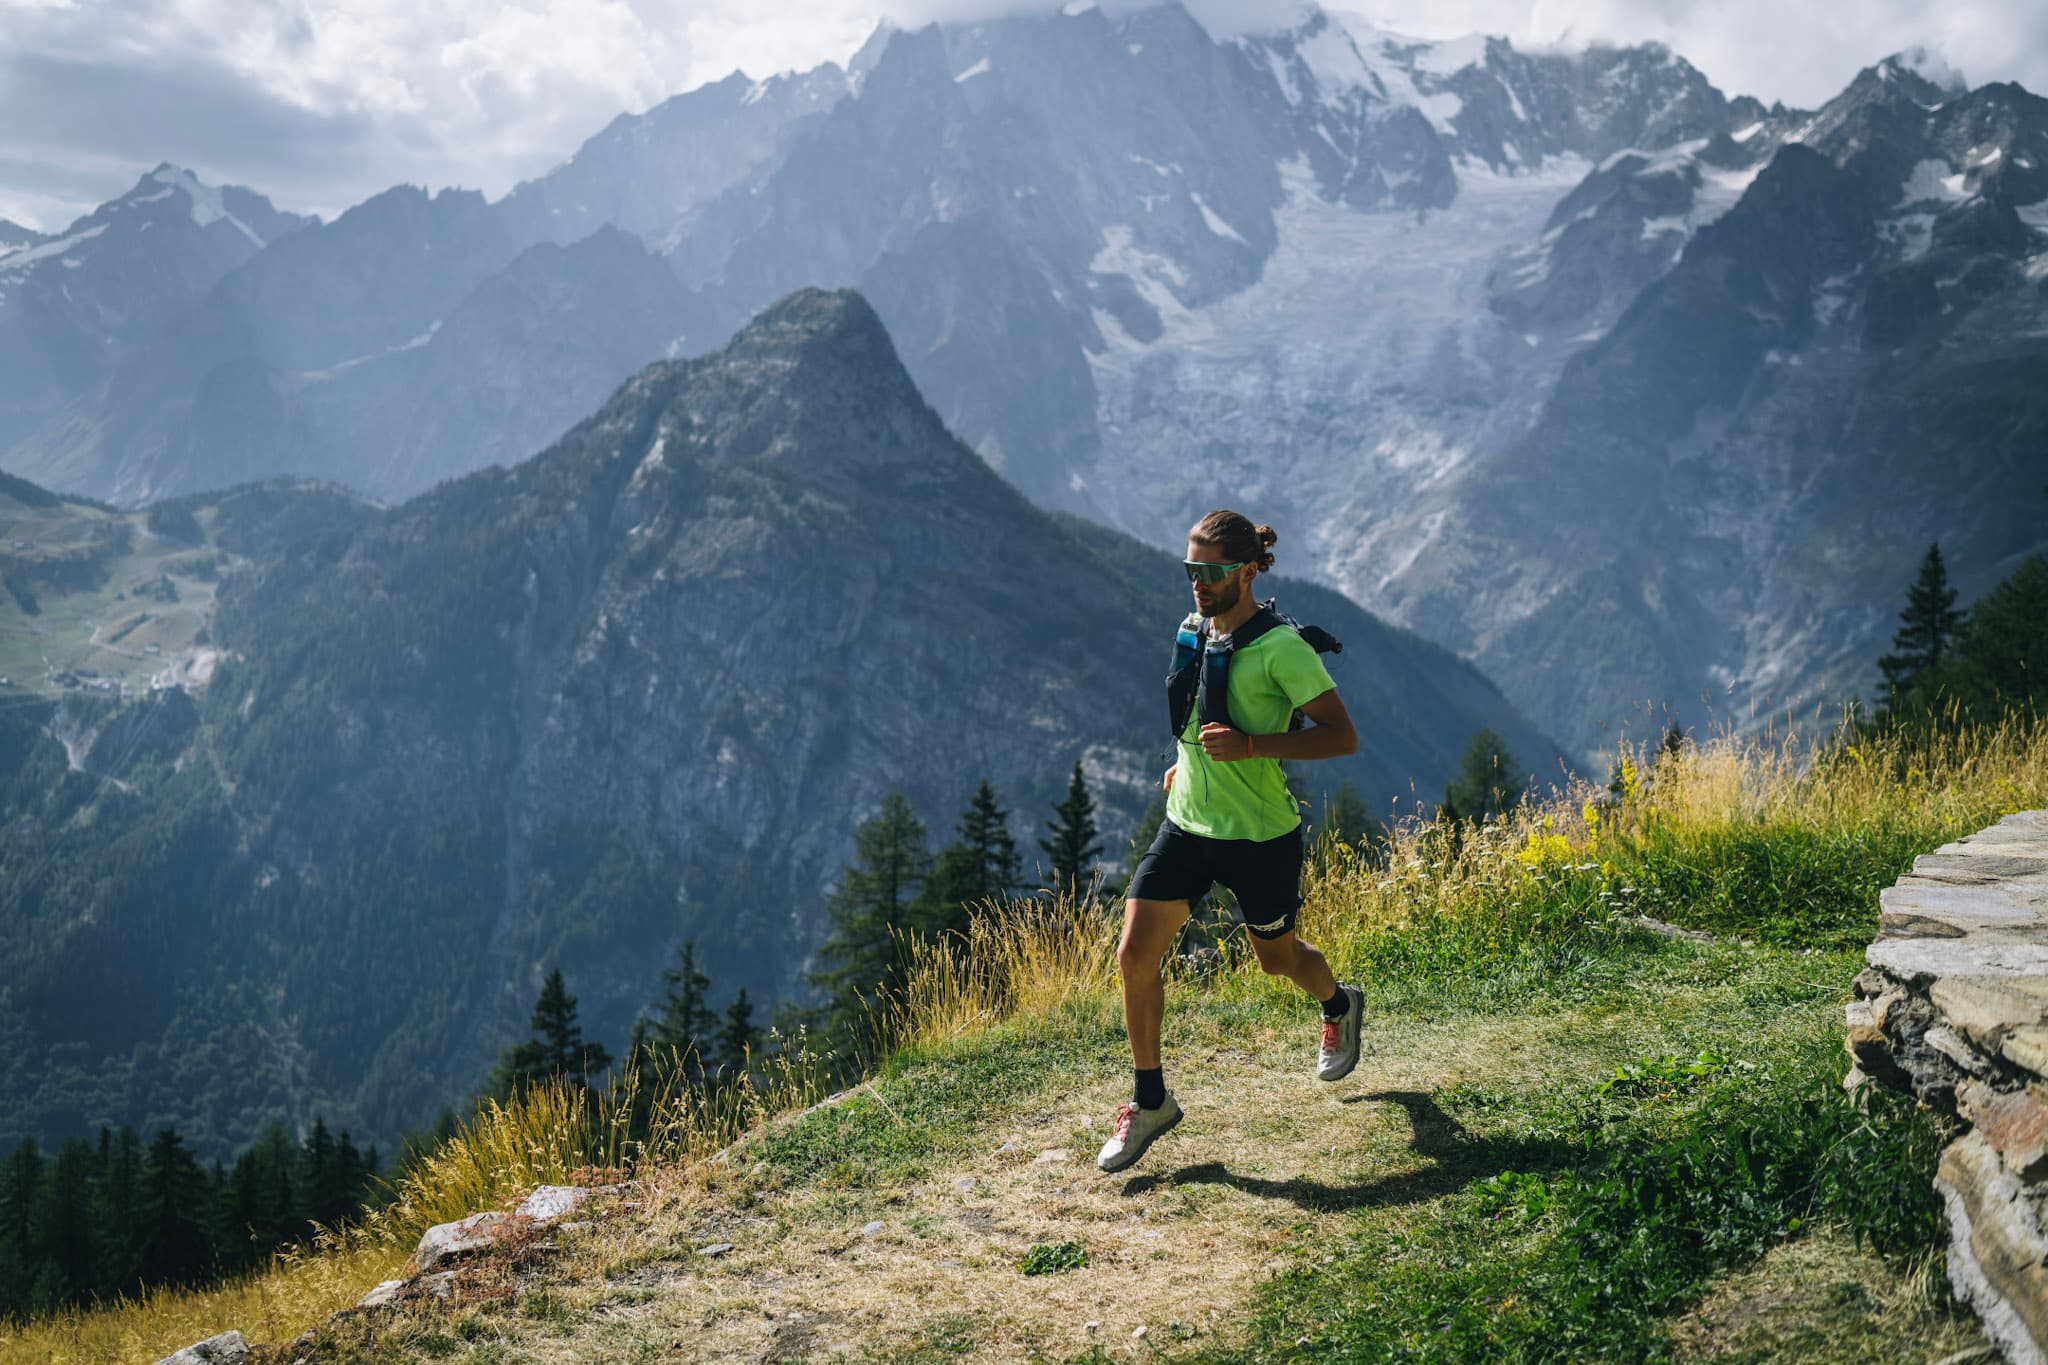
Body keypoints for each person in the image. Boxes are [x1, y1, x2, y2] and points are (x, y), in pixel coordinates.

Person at [1097, 510, 1363, 1174]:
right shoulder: (1193, 630)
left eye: (1211, 571)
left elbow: (1340, 735)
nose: (1198, 583)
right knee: (1134, 955)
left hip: (1258, 836)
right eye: (1191, 569)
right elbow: (1199, 709)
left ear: (1246, 572)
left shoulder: (1281, 649)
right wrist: (1188, 759)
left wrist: (1250, 747)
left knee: (1276, 961)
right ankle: (1150, 1098)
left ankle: (1339, 1003)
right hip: (1187, 823)